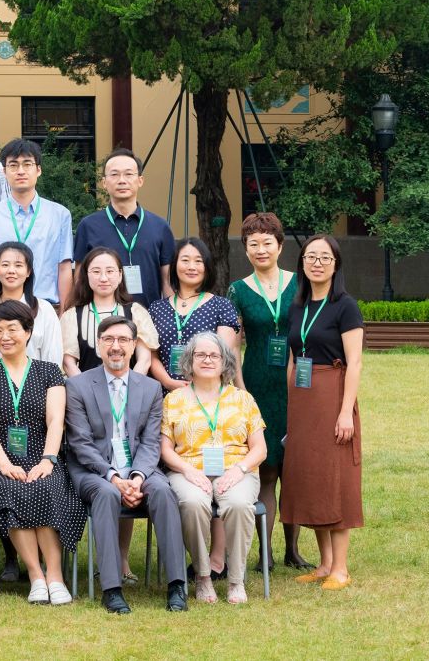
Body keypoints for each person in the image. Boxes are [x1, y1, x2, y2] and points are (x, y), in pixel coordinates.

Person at [64, 314, 189, 614]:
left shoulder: (150, 388)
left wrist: (137, 477)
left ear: (134, 346)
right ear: (99, 344)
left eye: (123, 340)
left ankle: (177, 585)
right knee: (107, 494)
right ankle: (112, 589)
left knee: (163, 491)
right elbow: (80, 443)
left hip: (140, 470)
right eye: (108, 339)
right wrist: (113, 477)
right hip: (95, 472)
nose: (115, 346)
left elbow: (150, 441)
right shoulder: (78, 386)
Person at [0, 299, 83, 606]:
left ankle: (55, 576)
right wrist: (4, 464)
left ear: (28, 332)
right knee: (12, 490)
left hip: (42, 456)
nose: (4, 336)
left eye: (12, 329)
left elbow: (56, 420)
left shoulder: (49, 371)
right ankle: (36, 576)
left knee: (44, 487)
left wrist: (48, 459)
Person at [159, 331, 268, 605]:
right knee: (193, 503)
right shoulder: (174, 400)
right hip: (188, 470)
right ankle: (203, 575)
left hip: (237, 469)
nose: (207, 360)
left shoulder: (243, 399)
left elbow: (260, 449)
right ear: (189, 360)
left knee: (240, 504)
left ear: (224, 362)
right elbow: (165, 449)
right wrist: (188, 470)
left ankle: (236, 580)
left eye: (214, 355)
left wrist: (239, 470)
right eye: (200, 355)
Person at [283, 234, 364, 591]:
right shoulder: (297, 306)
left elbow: (355, 362)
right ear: (301, 263)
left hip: (332, 394)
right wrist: (292, 405)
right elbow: (292, 358)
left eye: (324, 257)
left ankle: (341, 568)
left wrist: (345, 412)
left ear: (336, 264)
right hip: (303, 400)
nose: (317, 263)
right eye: (310, 256)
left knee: (334, 478)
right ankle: (324, 564)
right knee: (311, 478)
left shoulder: (346, 306)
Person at [229, 211, 308, 571]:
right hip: (256, 383)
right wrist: (241, 390)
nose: (261, 249)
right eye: (253, 244)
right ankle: (266, 553)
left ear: (280, 245)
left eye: (267, 242)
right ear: (245, 249)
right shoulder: (239, 290)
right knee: (268, 471)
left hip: (296, 382)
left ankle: (293, 549)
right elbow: (233, 346)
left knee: (295, 472)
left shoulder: (300, 283)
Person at [0, 140, 74, 307]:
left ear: (38, 170)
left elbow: (64, 267)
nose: (20, 171)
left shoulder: (59, 215)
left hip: (44, 306)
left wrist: (64, 312)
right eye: (13, 165)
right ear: (4, 171)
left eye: (27, 164)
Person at [73, 149, 177, 307]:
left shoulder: (160, 226)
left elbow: (167, 281)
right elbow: (79, 279)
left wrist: (171, 314)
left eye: (128, 174)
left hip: (149, 316)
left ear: (140, 180)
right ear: (104, 182)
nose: (122, 180)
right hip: (102, 317)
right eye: (114, 174)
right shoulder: (88, 226)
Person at [151, 238, 242, 390]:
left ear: (207, 267)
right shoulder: (157, 308)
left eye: (198, 261)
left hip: (207, 392)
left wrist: (196, 387)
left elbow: (222, 355)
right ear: (174, 265)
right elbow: (152, 355)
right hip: (165, 393)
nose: (191, 267)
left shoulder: (222, 306)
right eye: (185, 260)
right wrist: (168, 382)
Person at [61, 247, 160, 377]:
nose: (103, 278)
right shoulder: (72, 316)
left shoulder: (136, 312)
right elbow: (68, 363)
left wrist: (129, 387)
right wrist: (85, 388)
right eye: (96, 271)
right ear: (86, 275)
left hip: (130, 388)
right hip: (85, 388)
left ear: (120, 275)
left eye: (110, 271)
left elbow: (144, 360)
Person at [0, 242, 65, 366]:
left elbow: (53, 357)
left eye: (18, 265)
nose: (11, 271)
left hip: (36, 378)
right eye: (5, 265)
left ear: (28, 272)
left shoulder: (44, 310)